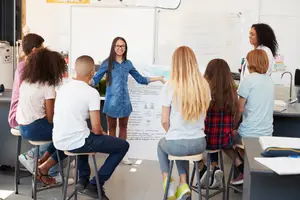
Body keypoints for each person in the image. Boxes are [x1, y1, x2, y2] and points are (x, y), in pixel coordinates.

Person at [53, 56, 129, 200]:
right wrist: (104, 134)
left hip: (58, 140)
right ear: (93, 72)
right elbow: (96, 129)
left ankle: (83, 180)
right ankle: (95, 184)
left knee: (84, 134)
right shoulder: (91, 92)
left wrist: (99, 132)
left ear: (75, 69)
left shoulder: (62, 88)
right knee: (123, 146)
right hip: (76, 142)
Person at [91, 37, 165, 165]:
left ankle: (122, 154)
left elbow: (140, 79)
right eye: (118, 46)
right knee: (112, 128)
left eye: (123, 46)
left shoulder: (128, 64)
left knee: (124, 127)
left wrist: (157, 78)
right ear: (113, 47)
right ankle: (113, 154)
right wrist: (81, 82)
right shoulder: (107, 63)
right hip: (111, 102)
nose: (120, 48)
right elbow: (95, 79)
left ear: (125, 48)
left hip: (125, 102)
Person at [8, 33, 68, 184]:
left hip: (23, 122)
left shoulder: (28, 79)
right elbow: (49, 117)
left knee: (61, 132)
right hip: (26, 122)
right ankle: (45, 166)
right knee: (68, 135)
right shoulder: (45, 83)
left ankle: (42, 160)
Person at [157, 46, 210, 200]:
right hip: (199, 143)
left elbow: (164, 120)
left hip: (177, 143)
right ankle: (183, 184)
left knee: (164, 145)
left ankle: (168, 184)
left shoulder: (169, 86)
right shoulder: (204, 86)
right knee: (181, 147)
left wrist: (172, 133)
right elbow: (204, 116)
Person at [232, 49, 274, 185]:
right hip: (267, 133)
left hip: (249, 134)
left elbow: (239, 108)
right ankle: (249, 170)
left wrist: (233, 126)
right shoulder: (269, 81)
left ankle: (244, 169)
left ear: (252, 63)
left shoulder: (248, 80)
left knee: (227, 137)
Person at [196, 59, 239, 188]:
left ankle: (203, 169)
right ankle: (215, 167)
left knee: (198, 137)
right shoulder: (233, 91)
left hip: (207, 139)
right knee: (216, 137)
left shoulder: (204, 91)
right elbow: (236, 112)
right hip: (225, 139)